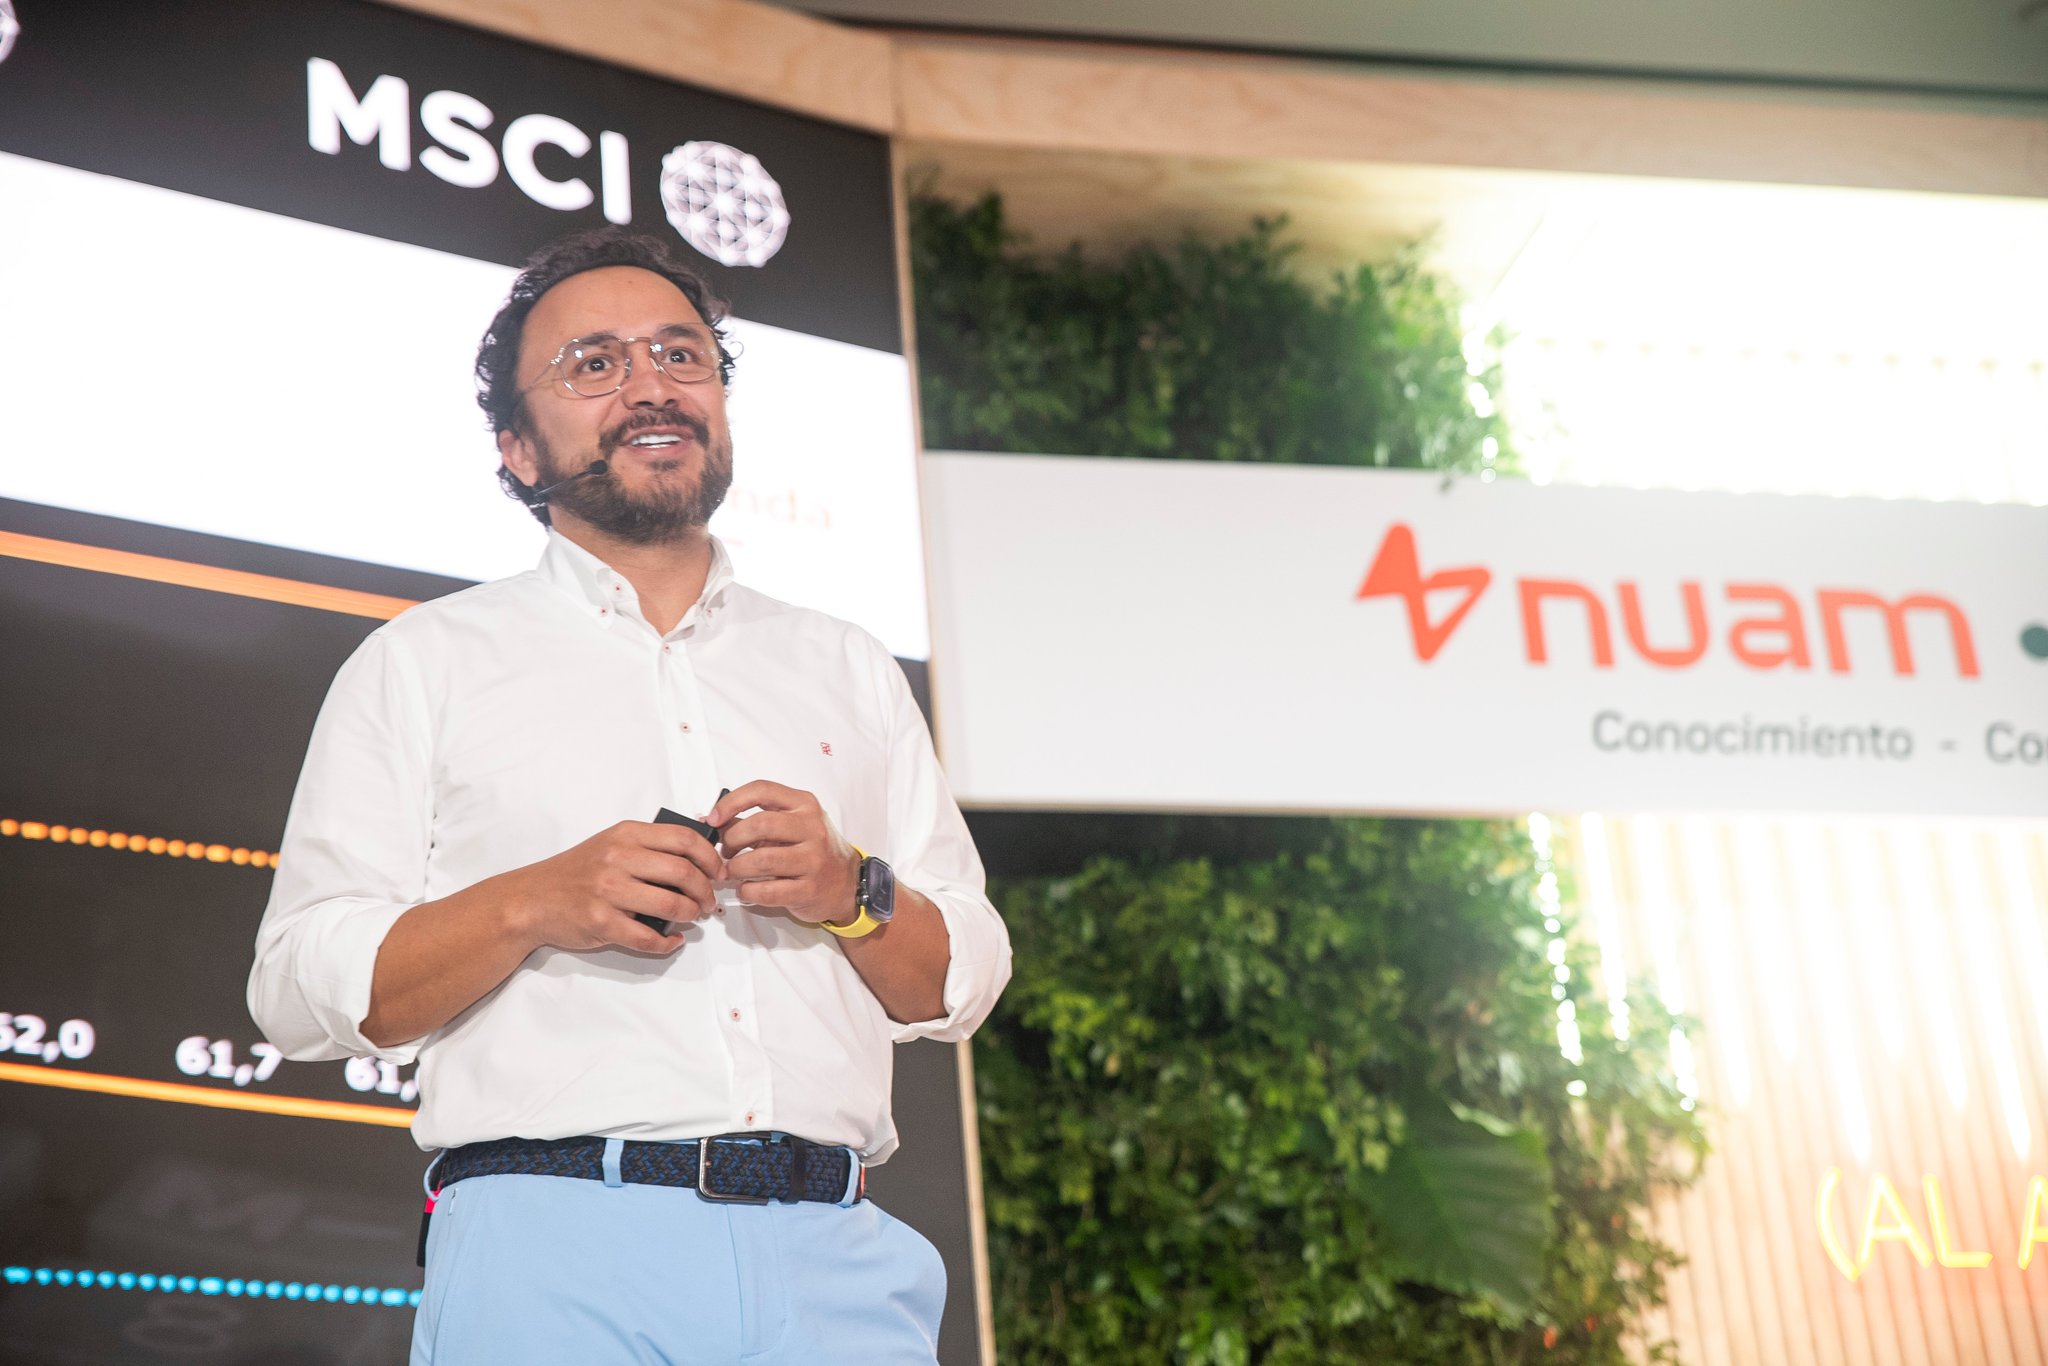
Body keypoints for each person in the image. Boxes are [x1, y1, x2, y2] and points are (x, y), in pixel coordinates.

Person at [247, 227, 1012, 1365]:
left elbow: (965, 978)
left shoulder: (846, 664)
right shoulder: (424, 661)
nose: (651, 383)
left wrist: (851, 890)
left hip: (840, 1261)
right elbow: (293, 992)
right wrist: (532, 902)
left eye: (680, 354)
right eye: (595, 364)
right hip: (552, 1248)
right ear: (516, 449)